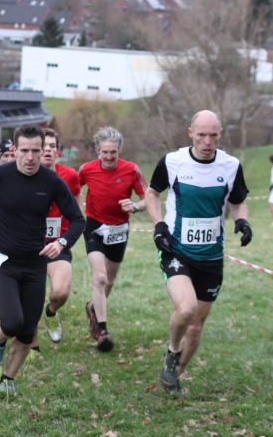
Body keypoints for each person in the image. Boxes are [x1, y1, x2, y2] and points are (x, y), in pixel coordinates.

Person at [0, 124, 84, 395]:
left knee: (28, 332)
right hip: (1, 261)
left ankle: (7, 379)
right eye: (25, 151)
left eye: (36, 151)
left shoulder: (52, 181)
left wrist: (62, 242)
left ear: (43, 151)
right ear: (15, 149)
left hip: (34, 263)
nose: (30, 158)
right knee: (11, 323)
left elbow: (78, 219)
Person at [145, 110, 252, 393]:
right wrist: (158, 225)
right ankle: (172, 351)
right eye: (202, 135)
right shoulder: (173, 161)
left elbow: (238, 201)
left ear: (220, 135)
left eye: (213, 136)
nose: (207, 142)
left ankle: (175, 374)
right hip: (176, 250)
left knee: (195, 326)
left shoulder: (230, 165)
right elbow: (152, 193)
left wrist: (242, 221)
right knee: (187, 309)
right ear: (190, 133)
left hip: (211, 256)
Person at [78, 126, 147, 353]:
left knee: (109, 281)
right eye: (105, 152)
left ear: (120, 150)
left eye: (113, 152)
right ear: (98, 150)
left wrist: (135, 206)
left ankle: (93, 308)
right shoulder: (86, 170)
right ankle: (102, 331)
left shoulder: (131, 170)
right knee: (99, 277)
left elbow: (148, 199)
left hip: (119, 229)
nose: (109, 157)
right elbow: (72, 189)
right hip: (94, 227)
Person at [31, 128, 82, 350]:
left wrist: (71, 229)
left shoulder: (69, 175)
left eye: (52, 146)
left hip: (58, 244)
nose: (48, 150)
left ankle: (51, 313)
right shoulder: (25, 174)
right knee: (30, 298)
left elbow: (77, 199)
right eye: (44, 146)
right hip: (29, 245)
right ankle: (31, 344)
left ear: (58, 150)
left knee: (60, 291)